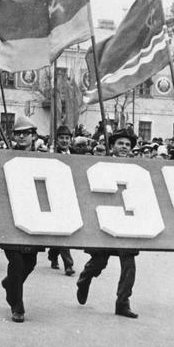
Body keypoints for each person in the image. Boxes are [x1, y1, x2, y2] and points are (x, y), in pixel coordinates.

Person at [76, 129, 139, 318]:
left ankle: (122, 303)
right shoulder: (101, 165)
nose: (124, 148)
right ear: (112, 146)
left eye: (127, 145)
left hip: (127, 221)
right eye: (120, 144)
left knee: (129, 265)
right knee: (99, 262)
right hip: (105, 219)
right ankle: (84, 279)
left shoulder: (137, 168)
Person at [1, 114, 46, 323]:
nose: (21, 138)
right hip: (11, 216)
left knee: (30, 262)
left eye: (26, 134)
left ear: (33, 136)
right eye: (18, 134)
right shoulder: (4, 156)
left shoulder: (44, 158)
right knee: (17, 261)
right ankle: (17, 305)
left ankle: (10, 283)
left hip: (34, 216)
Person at [47, 124, 76, 276]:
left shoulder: (76, 154)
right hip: (54, 195)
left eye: (67, 138)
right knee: (63, 230)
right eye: (61, 138)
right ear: (56, 139)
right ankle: (68, 265)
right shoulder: (50, 153)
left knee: (62, 230)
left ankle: (53, 254)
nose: (64, 141)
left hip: (69, 195)